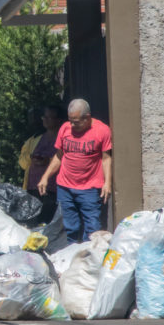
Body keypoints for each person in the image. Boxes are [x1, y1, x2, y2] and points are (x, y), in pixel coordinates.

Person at [38, 99, 112, 243]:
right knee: (68, 227)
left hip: (90, 188)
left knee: (92, 228)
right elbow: (59, 155)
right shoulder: (65, 128)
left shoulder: (102, 130)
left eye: (76, 122)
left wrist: (107, 183)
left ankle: (88, 257)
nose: (72, 125)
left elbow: (106, 158)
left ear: (87, 117)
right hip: (65, 187)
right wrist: (45, 177)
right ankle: (70, 255)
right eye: (70, 120)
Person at [23, 105, 63, 222]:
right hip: (33, 187)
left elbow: (65, 159)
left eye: (49, 117)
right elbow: (22, 162)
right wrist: (32, 158)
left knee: (48, 222)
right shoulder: (35, 139)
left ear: (58, 120)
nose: (45, 120)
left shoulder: (63, 138)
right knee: (34, 221)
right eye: (44, 117)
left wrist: (48, 161)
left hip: (52, 189)